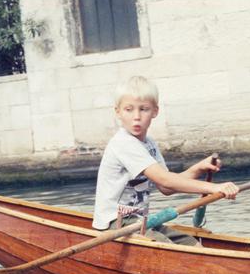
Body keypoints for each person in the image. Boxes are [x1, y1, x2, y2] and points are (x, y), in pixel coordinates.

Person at [92, 75, 239, 245]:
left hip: (140, 221)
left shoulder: (149, 143)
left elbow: (166, 187)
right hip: (115, 223)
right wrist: (215, 188)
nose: (136, 116)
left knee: (194, 245)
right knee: (168, 249)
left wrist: (198, 168)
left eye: (144, 109)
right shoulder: (123, 143)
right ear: (118, 112)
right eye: (129, 109)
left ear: (155, 111)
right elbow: (165, 180)